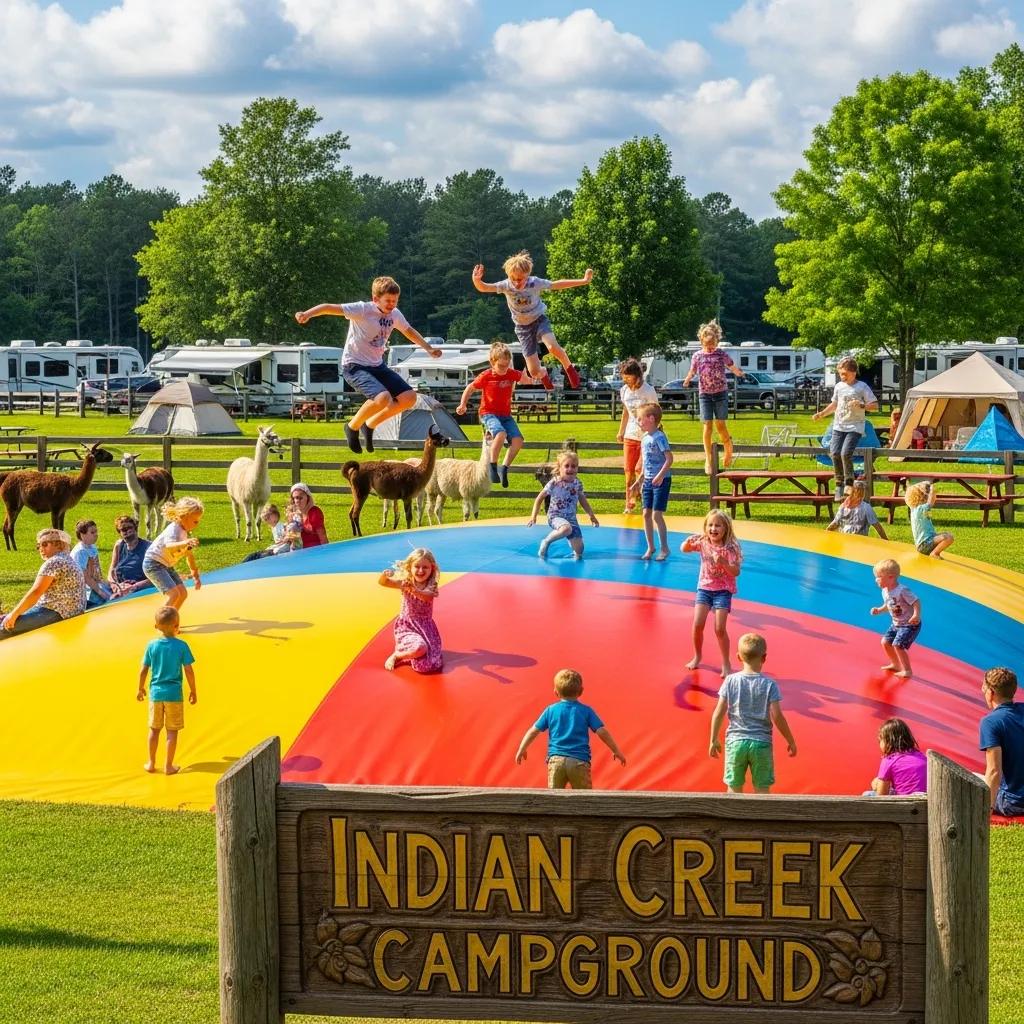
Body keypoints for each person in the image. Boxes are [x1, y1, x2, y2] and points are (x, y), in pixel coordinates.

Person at [295, 275, 442, 454]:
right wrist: (307, 314)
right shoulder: (362, 310)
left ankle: (369, 425)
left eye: (395, 301)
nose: (391, 305)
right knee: (383, 399)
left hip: (377, 365)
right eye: (387, 301)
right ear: (375, 299)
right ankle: (352, 427)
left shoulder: (395, 314)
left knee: (409, 398)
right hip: (354, 365)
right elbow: (328, 307)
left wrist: (428, 348)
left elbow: (408, 331)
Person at [471, 250, 592, 391]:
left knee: (552, 347)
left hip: (539, 320)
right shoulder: (506, 285)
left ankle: (569, 368)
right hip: (523, 328)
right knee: (533, 372)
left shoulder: (535, 283)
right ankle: (544, 373)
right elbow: (485, 288)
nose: (516, 283)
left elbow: (556, 285)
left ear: (527, 275)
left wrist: (583, 281)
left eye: (520, 279)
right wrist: (477, 280)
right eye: (513, 279)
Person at [708, 633, 797, 794]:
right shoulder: (770, 684)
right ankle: (761, 818)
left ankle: (733, 818)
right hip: (761, 744)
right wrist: (790, 740)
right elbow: (777, 716)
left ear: (738, 657)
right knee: (762, 790)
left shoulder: (730, 680)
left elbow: (719, 711)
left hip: (735, 742)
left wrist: (713, 739)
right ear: (764, 658)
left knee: (734, 788)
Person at [515, 668, 626, 789]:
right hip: (579, 761)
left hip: (556, 761)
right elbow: (601, 731)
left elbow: (533, 731)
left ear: (556, 692)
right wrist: (616, 750)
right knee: (583, 799)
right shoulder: (586, 711)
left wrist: (522, 748)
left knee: (554, 800)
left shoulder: (551, 710)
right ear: (581, 691)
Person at [456, 341, 532, 487]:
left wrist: (533, 374)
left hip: (505, 415)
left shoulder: (511, 374)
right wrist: (463, 404)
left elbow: (526, 379)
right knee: (500, 434)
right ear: (492, 362)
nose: (504, 369)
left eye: (507, 365)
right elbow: (470, 388)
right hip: (488, 413)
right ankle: (492, 466)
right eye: (501, 366)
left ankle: (504, 468)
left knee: (518, 441)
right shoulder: (486, 376)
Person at [681, 509, 743, 676]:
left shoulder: (731, 547)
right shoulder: (703, 542)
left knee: (719, 629)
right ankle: (697, 656)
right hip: (705, 588)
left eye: (718, 525)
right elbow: (684, 549)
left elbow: (736, 571)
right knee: (698, 624)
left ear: (726, 528)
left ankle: (726, 663)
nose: (713, 529)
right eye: (710, 525)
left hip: (723, 591)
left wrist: (723, 563)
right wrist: (687, 543)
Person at [137, 606, 196, 775]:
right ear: (177, 625)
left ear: (156, 626)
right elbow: (189, 671)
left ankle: (151, 763)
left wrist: (140, 688)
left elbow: (143, 669)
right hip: (174, 695)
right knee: (172, 731)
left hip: (156, 694)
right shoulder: (182, 646)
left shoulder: (152, 646)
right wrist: (193, 691)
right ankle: (168, 766)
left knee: (154, 730)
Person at [0, 528, 86, 640]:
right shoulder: (68, 560)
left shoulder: (54, 562)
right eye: (39, 546)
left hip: (56, 613)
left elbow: (36, 592)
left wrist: (13, 615)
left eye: (45, 544)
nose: (41, 549)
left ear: (59, 545)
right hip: (71, 612)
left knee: (4, 627)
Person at [682, 319, 745, 473]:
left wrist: (739, 373)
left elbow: (731, 366)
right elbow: (693, 370)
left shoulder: (721, 353)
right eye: (707, 345)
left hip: (720, 393)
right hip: (705, 394)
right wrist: (688, 379)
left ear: (717, 341)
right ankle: (708, 458)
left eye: (713, 345)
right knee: (707, 425)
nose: (710, 348)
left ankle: (728, 449)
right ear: (702, 341)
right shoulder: (697, 356)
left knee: (720, 425)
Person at [812, 356, 878, 497]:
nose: (842, 377)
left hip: (855, 427)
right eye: (840, 374)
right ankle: (839, 483)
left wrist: (861, 405)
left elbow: (875, 406)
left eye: (844, 374)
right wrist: (822, 414)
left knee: (845, 453)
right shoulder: (839, 387)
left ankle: (849, 483)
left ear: (853, 372)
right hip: (838, 426)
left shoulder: (862, 387)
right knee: (834, 453)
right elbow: (834, 405)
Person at [377, 547, 443, 673]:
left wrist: (411, 588)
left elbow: (426, 597)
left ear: (432, 568)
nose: (420, 570)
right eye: (417, 566)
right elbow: (383, 583)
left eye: (425, 567)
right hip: (407, 627)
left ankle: (409, 651)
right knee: (419, 648)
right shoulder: (406, 582)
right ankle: (397, 655)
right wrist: (384, 576)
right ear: (410, 568)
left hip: (425, 628)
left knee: (428, 665)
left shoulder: (431, 585)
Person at [528, 449, 599, 559]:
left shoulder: (577, 483)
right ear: (560, 468)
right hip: (555, 516)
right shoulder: (554, 483)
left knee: (579, 551)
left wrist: (592, 516)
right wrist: (534, 516)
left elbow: (582, 500)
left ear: (577, 468)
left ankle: (570, 538)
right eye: (567, 466)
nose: (570, 468)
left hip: (571, 518)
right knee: (566, 529)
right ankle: (546, 541)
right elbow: (539, 498)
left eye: (574, 466)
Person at [142, 497, 204, 611]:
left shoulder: (183, 532)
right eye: (195, 521)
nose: (197, 524)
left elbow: (189, 556)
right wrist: (185, 542)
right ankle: (162, 621)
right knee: (174, 594)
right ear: (184, 517)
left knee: (182, 593)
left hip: (165, 565)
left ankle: (172, 617)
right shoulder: (174, 529)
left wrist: (196, 576)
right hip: (153, 564)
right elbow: (169, 546)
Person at [630, 402, 673, 560]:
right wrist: (639, 480)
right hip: (648, 480)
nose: (638, 422)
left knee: (656, 515)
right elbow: (646, 463)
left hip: (661, 480)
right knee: (646, 513)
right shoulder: (644, 439)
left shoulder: (660, 437)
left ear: (651, 419)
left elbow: (669, 459)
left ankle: (665, 548)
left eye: (640, 419)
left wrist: (661, 475)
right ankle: (650, 547)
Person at [616, 358, 659, 514]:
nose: (625, 380)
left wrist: (655, 432)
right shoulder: (624, 391)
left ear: (637, 375)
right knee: (628, 471)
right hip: (630, 434)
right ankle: (629, 503)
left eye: (628, 377)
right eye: (623, 377)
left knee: (640, 468)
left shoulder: (648, 390)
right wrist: (621, 431)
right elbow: (626, 411)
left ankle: (645, 501)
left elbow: (656, 411)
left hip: (646, 436)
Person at [979, 666, 1024, 816]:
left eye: (984, 689)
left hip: (1014, 802)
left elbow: (994, 771)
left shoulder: (991, 722)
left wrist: (986, 809)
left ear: (991, 693)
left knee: (971, 779)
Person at [870, 558, 921, 679]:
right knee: (885, 642)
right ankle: (896, 664)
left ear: (891, 577)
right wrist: (879, 610)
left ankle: (907, 670)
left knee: (898, 645)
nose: (876, 580)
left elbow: (916, 601)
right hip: (896, 623)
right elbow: (890, 605)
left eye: (879, 577)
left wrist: (916, 615)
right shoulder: (885, 590)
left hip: (910, 624)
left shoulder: (902, 590)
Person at [868, 718, 927, 795]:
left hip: (904, 804)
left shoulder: (889, 760)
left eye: (880, 740)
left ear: (888, 741)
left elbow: (881, 795)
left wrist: (876, 787)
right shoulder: (922, 757)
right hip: (925, 801)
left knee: (867, 794)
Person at [107, 514, 153, 598]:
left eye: (130, 527)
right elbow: (111, 572)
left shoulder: (148, 547)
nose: (127, 531)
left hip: (142, 590)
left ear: (135, 528)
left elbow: (156, 576)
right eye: (123, 529)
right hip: (121, 589)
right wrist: (114, 585)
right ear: (119, 532)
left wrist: (134, 587)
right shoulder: (119, 546)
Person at [905, 481, 954, 558]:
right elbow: (931, 501)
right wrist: (932, 489)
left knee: (948, 534)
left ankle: (933, 552)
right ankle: (934, 553)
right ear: (922, 497)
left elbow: (928, 513)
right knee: (948, 538)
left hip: (927, 541)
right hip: (924, 545)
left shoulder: (916, 509)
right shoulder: (920, 509)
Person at [71, 518, 112, 607]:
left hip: (95, 584)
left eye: (96, 532)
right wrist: (102, 593)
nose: (96, 535)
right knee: (108, 602)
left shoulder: (92, 546)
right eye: (92, 532)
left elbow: (97, 568)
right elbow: (85, 577)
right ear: (82, 535)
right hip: (83, 590)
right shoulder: (80, 552)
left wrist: (103, 583)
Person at [289, 482, 328, 548]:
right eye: (295, 498)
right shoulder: (294, 514)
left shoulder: (315, 513)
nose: (298, 500)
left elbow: (323, 537)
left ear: (308, 498)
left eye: (301, 497)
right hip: (299, 551)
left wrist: (326, 553)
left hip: (316, 550)